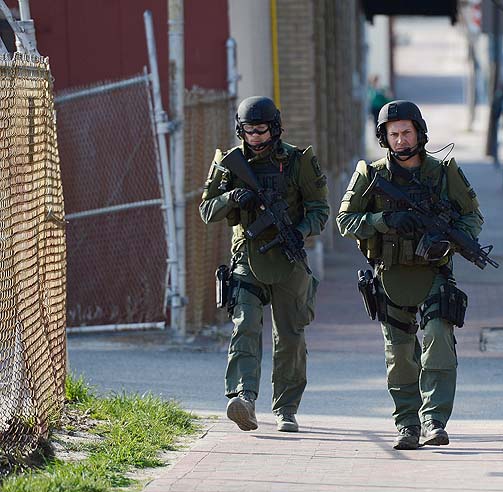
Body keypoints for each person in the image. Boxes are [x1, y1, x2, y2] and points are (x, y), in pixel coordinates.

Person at [337, 100, 484, 449]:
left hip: (433, 273)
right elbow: (345, 221)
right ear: (384, 138)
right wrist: (383, 220)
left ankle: (434, 420)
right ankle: (407, 424)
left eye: (406, 132)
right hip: (390, 276)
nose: (401, 140)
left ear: (419, 133)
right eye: (394, 134)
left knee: (438, 339)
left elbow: (473, 218)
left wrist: (446, 240)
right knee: (400, 353)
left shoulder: (443, 172)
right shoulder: (370, 175)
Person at [199, 96, 329, 433]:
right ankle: (244, 399)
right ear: (240, 130)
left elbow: (320, 209)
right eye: (249, 131)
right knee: (245, 326)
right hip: (247, 257)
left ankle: (286, 408)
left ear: (275, 128)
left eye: (262, 131)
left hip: (288, 259)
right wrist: (231, 197)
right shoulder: (230, 162)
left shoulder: (299, 161)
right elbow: (206, 210)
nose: (256, 138)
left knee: (289, 336)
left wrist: (300, 231)